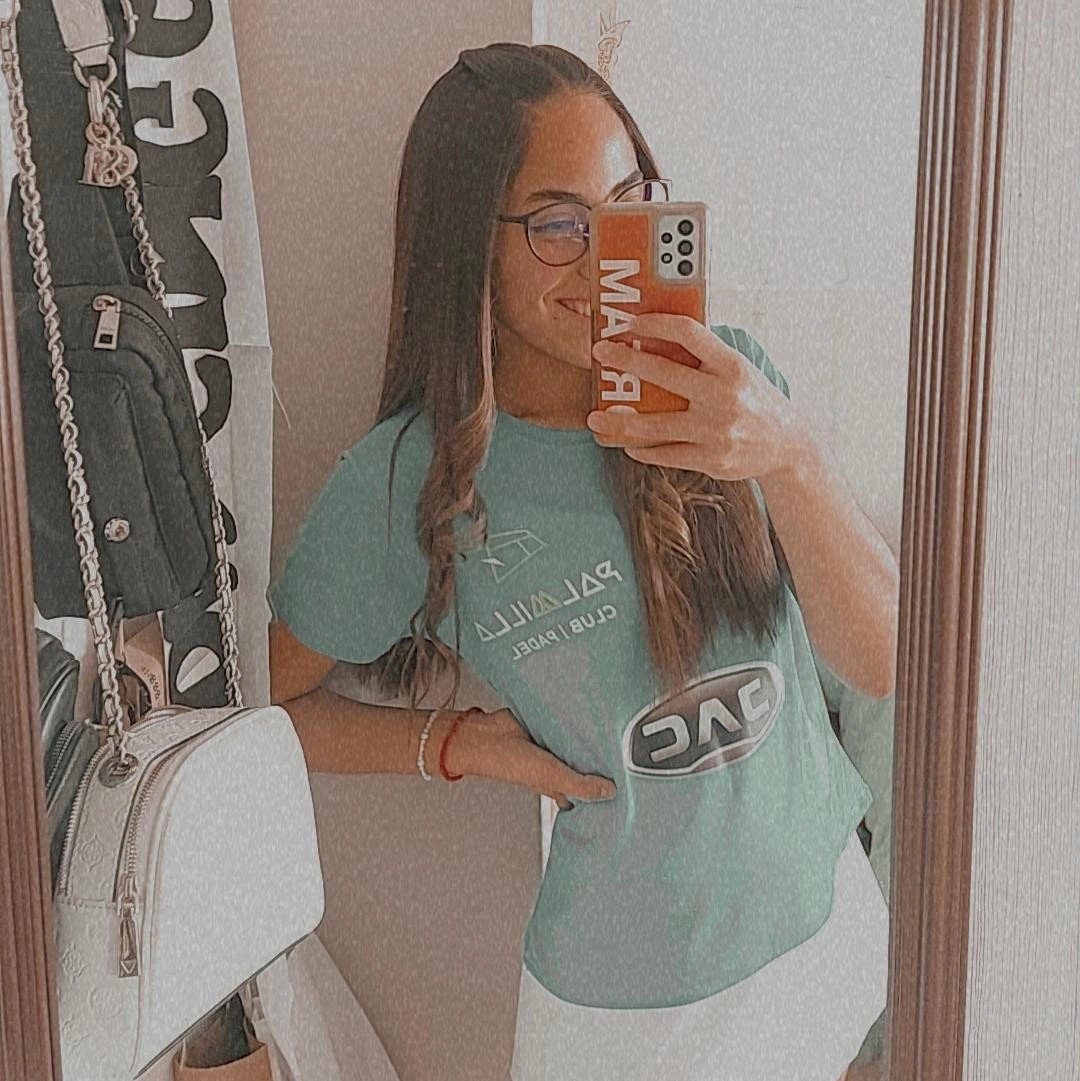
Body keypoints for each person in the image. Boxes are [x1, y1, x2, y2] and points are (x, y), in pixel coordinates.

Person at [266, 42, 898, 1081]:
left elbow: (882, 661)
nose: (609, 254)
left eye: (629, 201)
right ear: (470, 246)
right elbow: (264, 709)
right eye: (560, 224)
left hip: (824, 945)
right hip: (623, 1019)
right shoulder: (413, 481)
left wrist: (790, 454)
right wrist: (458, 745)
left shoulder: (732, 388)